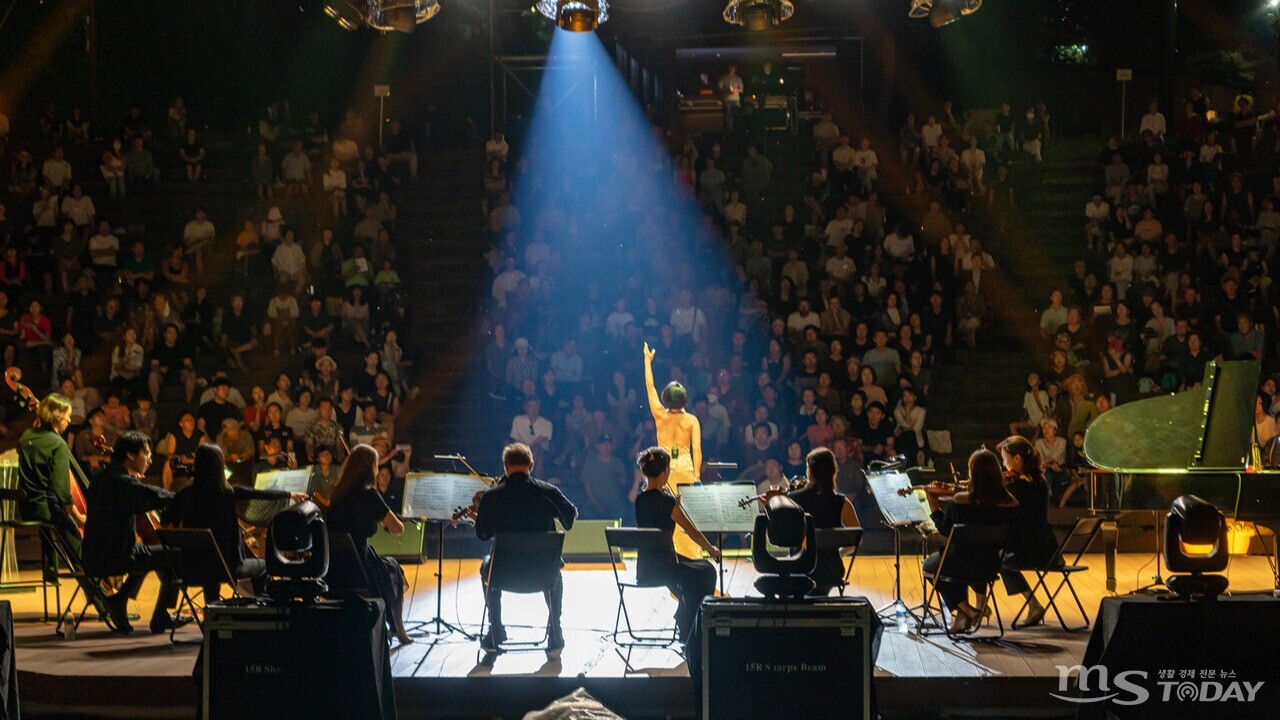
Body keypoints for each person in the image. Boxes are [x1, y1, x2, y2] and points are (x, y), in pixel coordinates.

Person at [470, 443, 578, 652]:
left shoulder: (491, 496)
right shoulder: (548, 491)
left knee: (486, 567)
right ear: (531, 465)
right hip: (542, 572)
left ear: (505, 466)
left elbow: (483, 535)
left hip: (504, 573)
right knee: (557, 572)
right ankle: (555, 631)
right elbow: (569, 520)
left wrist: (480, 514)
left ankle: (496, 629)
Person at [167, 444, 304, 601]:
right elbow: (260, 495)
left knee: (210, 568)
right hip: (228, 567)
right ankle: (261, 606)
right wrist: (289, 495)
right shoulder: (228, 493)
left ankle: (212, 612)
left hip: (193, 570)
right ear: (220, 466)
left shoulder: (184, 495)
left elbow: (166, 520)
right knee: (264, 566)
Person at [17, 393, 111, 621]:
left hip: (26, 507)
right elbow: (61, 490)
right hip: (47, 509)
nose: (69, 421)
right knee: (80, 552)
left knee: (65, 534)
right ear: (57, 417)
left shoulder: (26, 437)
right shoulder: (57, 443)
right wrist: (78, 516)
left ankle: (51, 565)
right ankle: (105, 605)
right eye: (67, 416)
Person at [83, 432, 187, 635]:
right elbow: (155, 495)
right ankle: (160, 615)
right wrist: (185, 499)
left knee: (148, 554)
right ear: (130, 455)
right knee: (174, 555)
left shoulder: (101, 477)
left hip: (92, 554)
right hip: (114, 556)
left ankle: (120, 601)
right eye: (146, 453)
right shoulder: (122, 482)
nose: (150, 459)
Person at [919, 448, 1020, 633]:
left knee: (930, 566)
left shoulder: (961, 501)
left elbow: (945, 530)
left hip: (959, 563)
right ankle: (962, 617)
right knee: (961, 559)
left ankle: (967, 610)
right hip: (990, 566)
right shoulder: (1011, 502)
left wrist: (934, 507)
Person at [326, 443, 413, 644]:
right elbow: (398, 528)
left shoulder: (336, 493)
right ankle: (398, 628)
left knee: (387, 566)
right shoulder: (369, 494)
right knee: (395, 569)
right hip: (361, 566)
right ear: (370, 469)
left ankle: (386, 625)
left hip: (335, 567)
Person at [634, 447, 721, 643]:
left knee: (694, 577)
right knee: (706, 570)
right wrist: (712, 550)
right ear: (665, 471)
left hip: (646, 567)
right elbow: (693, 532)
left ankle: (685, 617)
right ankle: (690, 622)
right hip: (666, 566)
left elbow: (652, 506)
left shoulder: (639, 500)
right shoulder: (668, 502)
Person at [992, 435, 1061, 626]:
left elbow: (1011, 518)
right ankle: (1032, 604)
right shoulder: (1040, 481)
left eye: (1005, 459)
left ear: (1017, 459)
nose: (1004, 465)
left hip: (1030, 548)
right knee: (1001, 554)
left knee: (999, 559)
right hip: (1049, 547)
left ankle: (1033, 603)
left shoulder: (1017, 487)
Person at [643, 342, 704, 560]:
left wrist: (647, 362)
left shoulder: (660, 415)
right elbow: (696, 448)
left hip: (665, 469)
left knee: (669, 512)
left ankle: (672, 557)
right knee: (687, 514)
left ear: (666, 398)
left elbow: (650, 388)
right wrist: (696, 476)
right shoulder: (692, 420)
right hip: (686, 468)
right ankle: (693, 558)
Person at [788, 448, 861, 595]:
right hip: (831, 570)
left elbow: (787, 534)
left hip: (801, 568)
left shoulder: (794, 499)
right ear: (834, 471)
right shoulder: (842, 502)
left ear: (810, 471)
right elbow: (858, 537)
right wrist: (840, 553)